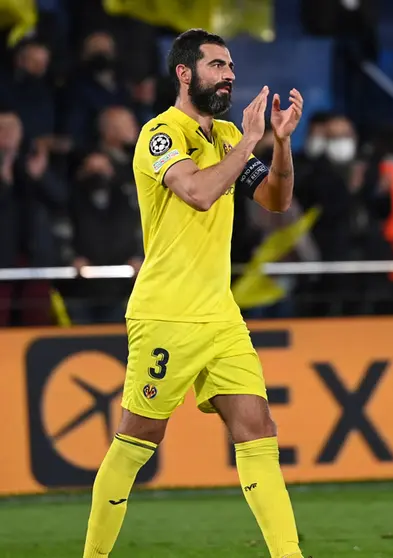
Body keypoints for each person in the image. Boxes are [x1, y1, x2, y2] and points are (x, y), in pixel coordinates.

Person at [82, 29, 305, 558]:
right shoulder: (160, 134)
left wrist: (280, 143)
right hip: (166, 313)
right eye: (216, 65)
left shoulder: (229, 135)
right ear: (185, 73)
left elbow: (275, 198)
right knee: (137, 442)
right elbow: (199, 193)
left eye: (230, 65)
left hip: (220, 315)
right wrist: (250, 140)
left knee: (257, 428)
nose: (228, 74)